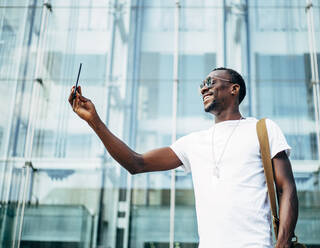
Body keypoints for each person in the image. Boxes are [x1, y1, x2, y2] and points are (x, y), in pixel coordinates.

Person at [68, 67, 298, 248]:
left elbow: (286, 188)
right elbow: (135, 163)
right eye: (201, 85)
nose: (203, 89)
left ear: (234, 89)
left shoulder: (262, 129)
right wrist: (94, 121)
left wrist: (283, 243)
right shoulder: (192, 142)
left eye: (210, 82)